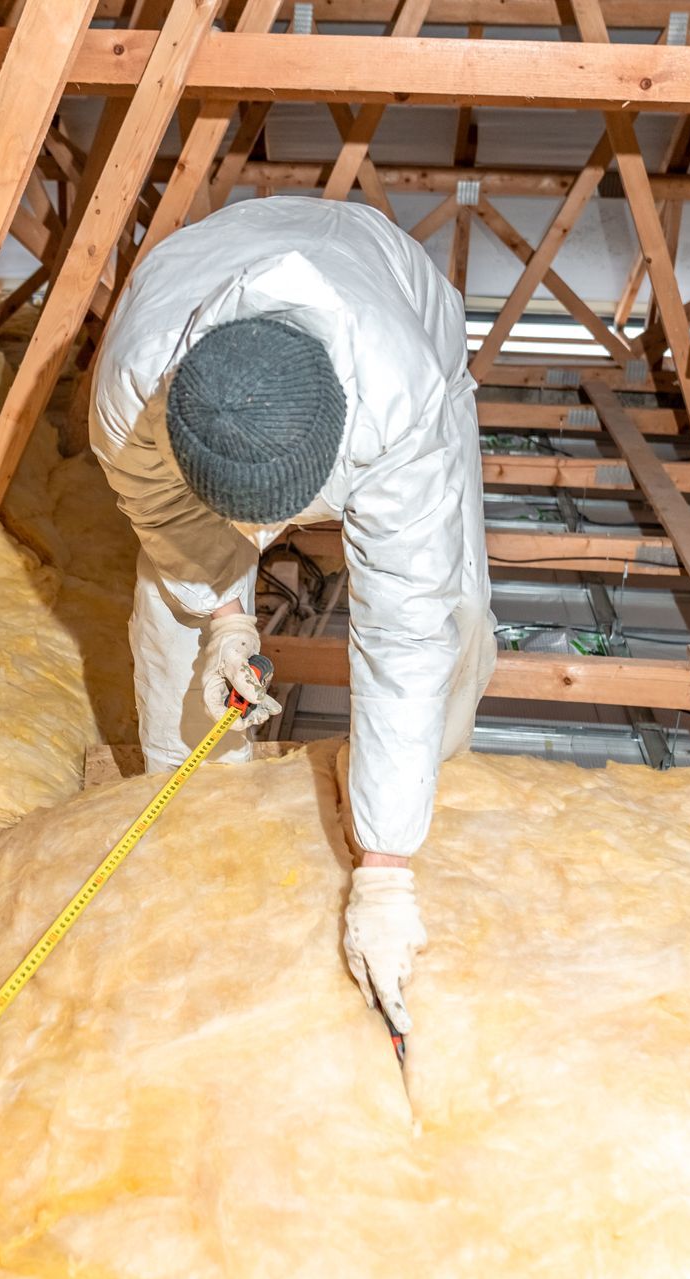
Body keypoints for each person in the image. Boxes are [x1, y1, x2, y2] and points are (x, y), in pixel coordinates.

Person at [90, 196, 496, 1036]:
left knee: (449, 620)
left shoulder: (401, 404)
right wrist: (228, 619)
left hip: (394, 299)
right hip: (203, 283)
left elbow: (401, 632)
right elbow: (175, 530)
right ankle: (195, 809)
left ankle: (404, 801)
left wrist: (381, 872)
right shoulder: (130, 394)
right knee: (171, 612)